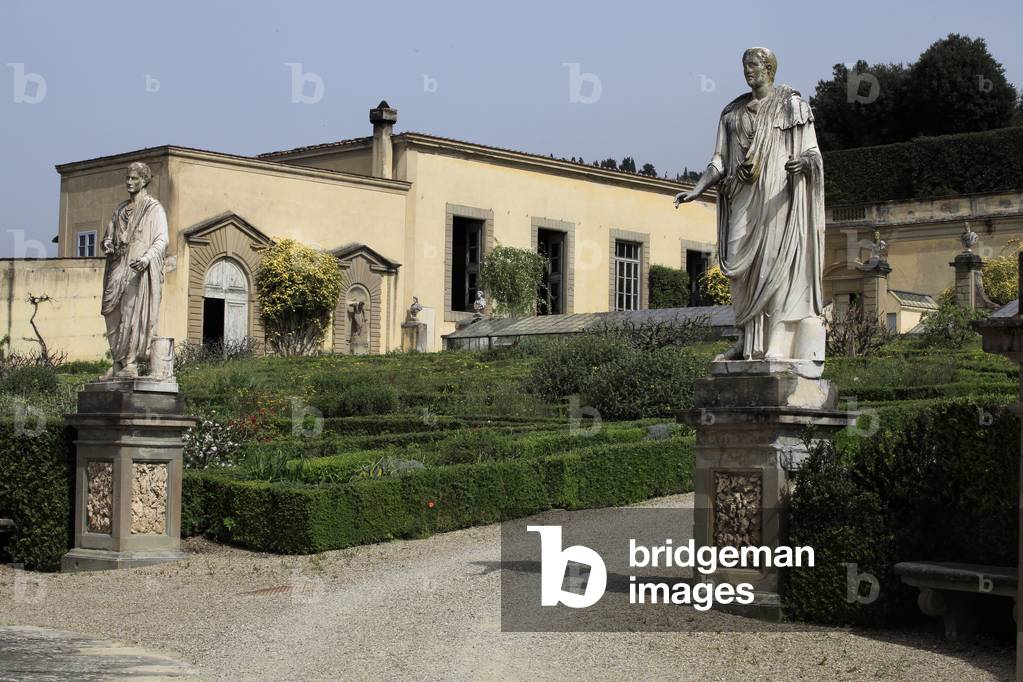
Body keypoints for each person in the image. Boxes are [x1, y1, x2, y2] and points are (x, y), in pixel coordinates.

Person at [676, 47, 825, 362]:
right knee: (737, 272)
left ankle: (776, 343)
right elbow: (718, 161)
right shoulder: (732, 114)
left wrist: (804, 164)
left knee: (774, 267)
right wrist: (697, 189)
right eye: (744, 65)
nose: (747, 71)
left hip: (778, 202)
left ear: (768, 68)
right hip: (741, 197)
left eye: (753, 65)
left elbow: (813, 153)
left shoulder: (792, 107)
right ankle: (745, 339)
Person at [100, 162, 168, 377]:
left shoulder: (153, 208)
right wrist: (108, 244)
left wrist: (147, 258)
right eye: (128, 178)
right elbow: (108, 237)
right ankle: (117, 361)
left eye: (134, 178)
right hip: (118, 265)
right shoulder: (120, 210)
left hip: (138, 269)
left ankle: (129, 363)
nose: (129, 182)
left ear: (144, 180)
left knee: (131, 314)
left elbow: (162, 239)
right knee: (111, 312)